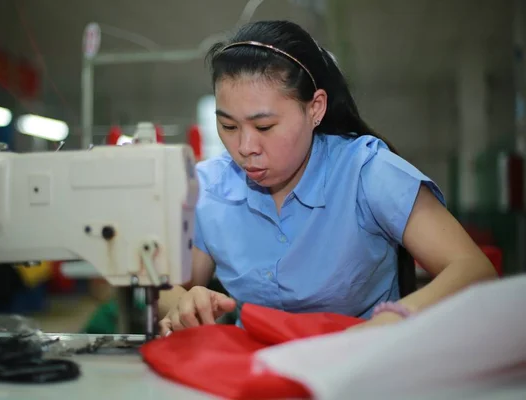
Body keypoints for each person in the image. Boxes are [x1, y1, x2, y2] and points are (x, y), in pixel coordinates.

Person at [158, 20, 497, 336]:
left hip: (362, 365)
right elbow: (170, 287)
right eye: (229, 126)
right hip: (262, 370)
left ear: (315, 108)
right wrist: (181, 303)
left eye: (264, 127)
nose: (245, 147)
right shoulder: (210, 189)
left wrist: (393, 320)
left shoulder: (367, 172)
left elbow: (472, 269)